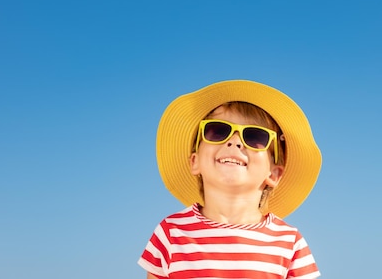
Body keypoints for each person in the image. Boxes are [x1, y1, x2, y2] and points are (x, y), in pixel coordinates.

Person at [138, 80, 322, 278]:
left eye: (254, 137)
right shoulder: (171, 234)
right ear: (195, 161)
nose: (234, 141)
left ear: (274, 174)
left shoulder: (289, 242)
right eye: (217, 131)